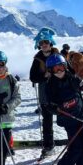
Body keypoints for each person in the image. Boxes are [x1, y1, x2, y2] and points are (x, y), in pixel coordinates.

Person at [29, 28, 59, 158]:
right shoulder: (37, 60)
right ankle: (48, 146)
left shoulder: (58, 56)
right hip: (45, 95)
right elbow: (33, 77)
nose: (44, 44)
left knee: (67, 119)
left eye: (46, 41)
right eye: (41, 43)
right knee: (47, 122)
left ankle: (74, 141)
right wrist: (44, 76)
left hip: (60, 93)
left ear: (50, 42)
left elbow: (69, 72)